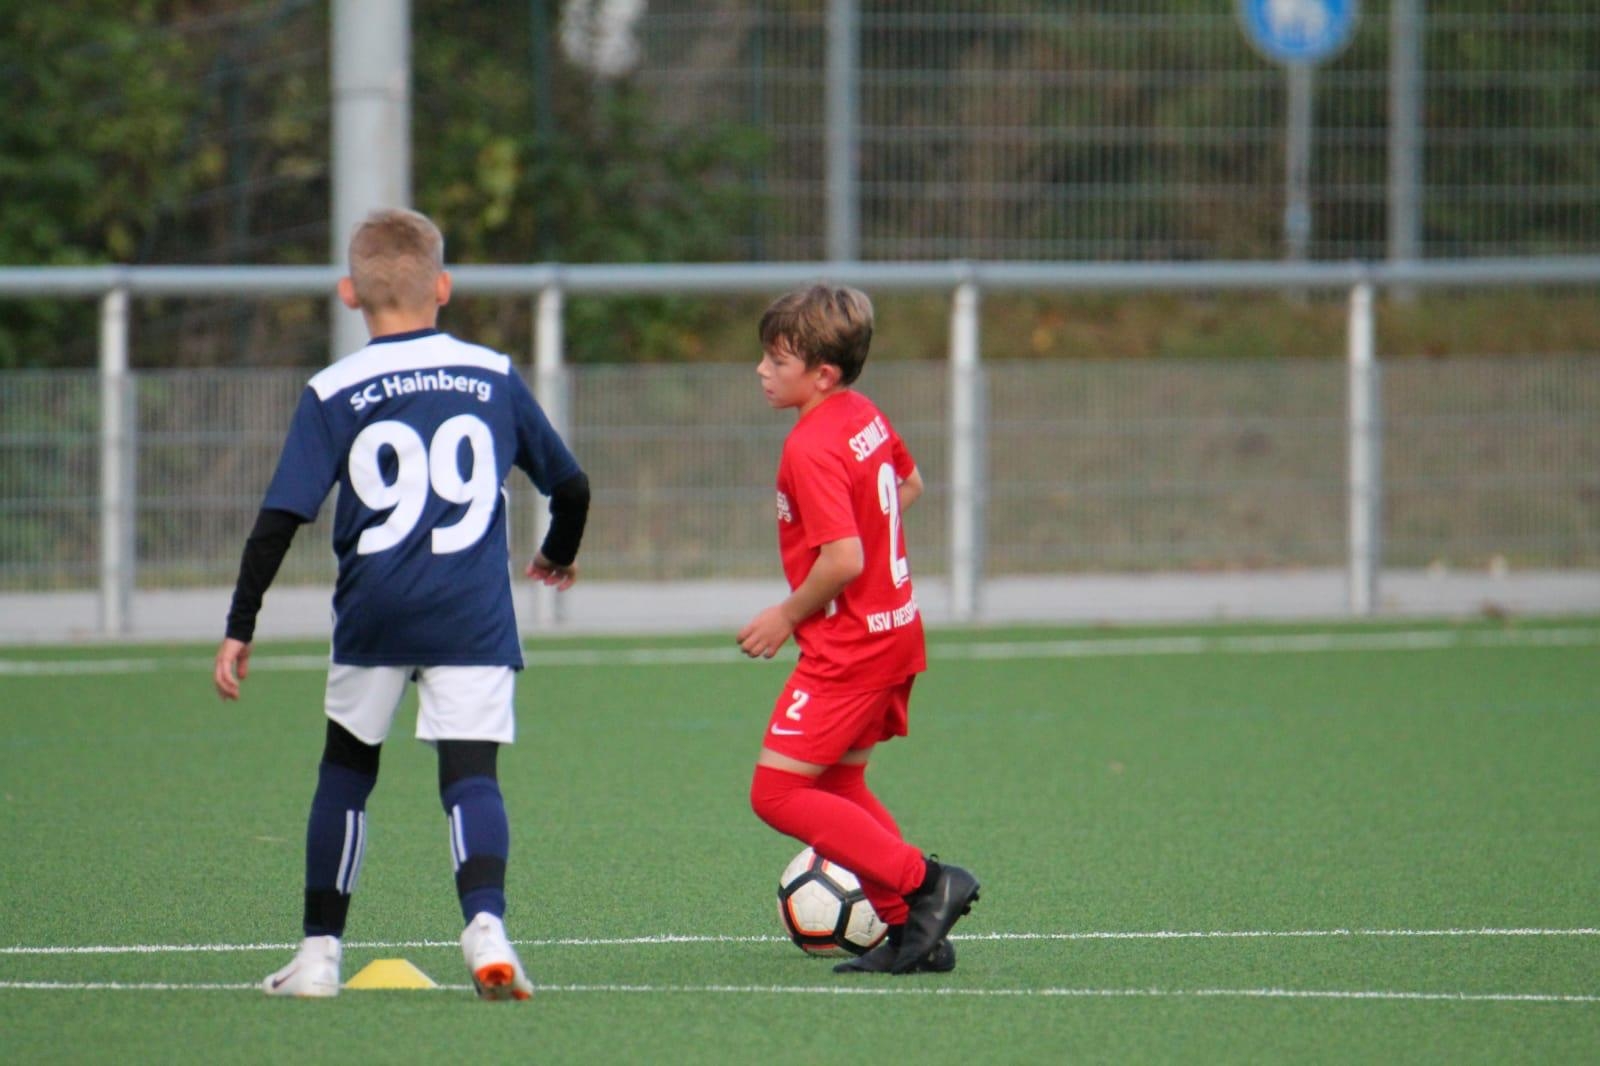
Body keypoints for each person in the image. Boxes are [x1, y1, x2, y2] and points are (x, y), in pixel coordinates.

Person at [213, 207, 590, 1000]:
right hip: (471, 612)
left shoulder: (333, 388)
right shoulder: (492, 374)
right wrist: (557, 553)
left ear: (349, 293)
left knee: (346, 772)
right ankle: (486, 929)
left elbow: (280, 518)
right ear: (442, 287)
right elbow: (572, 484)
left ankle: (319, 956)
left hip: (375, 612)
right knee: (472, 776)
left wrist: (240, 624)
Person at [738, 284, 979, 975]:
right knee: (840, 785)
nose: (761, 370)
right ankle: (911, 933)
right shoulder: (863, 414)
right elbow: (911, 485)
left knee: (776, 793)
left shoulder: (810, 446)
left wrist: (785, 615)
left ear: (822, 374)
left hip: (850, 648)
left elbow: (844, 559)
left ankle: (928, 884)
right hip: (895, 630)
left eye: (777, 361)